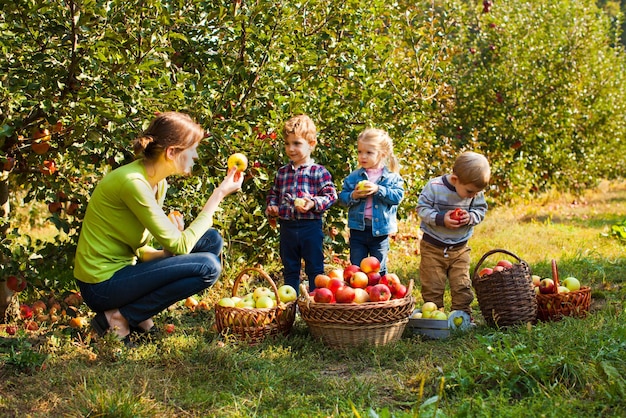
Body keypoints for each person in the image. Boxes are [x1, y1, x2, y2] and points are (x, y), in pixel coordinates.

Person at [74, 111, 243, 345]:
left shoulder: (157, 183)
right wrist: (218, 195)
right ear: (171, 152)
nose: (195, 156)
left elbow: (141, 248)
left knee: (211, 240)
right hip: (101, 285)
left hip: (123, 272)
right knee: (208, 267)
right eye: (191, 149)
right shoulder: (133, 183)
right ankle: (120, 317)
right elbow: (181, 245)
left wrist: (165, 254)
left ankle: (135, 315)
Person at [265, 114, 337, 293]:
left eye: (296, 143)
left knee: (315, 268)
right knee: (290, 268)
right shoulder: (282, 173)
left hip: (310, 227)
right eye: (288, 143)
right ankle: (291, 305)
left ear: (311, 144)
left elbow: (330, 195)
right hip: (287, 227)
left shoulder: (318, 172)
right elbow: (274, 194)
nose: (291, 149)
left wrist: (313, 203)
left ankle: (315, 303)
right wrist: (272, 207)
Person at [416, 151, 490, 316]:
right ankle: (434, 315)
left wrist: (470, 217)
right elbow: (422, 209)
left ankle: (462, 315)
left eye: (476, 193)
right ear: (455, 180)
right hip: (433, 246)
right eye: (470, 192)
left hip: (460, 248)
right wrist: (441, 218)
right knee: (432, 284)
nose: (473, 196)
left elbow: (480, 209)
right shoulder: (434, 187)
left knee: (462, 284)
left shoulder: (474, 190)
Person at [338, 128, 404, 276]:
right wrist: (354, 195)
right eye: (360, 152)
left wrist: (378, 189)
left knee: (377, 269)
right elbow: (342, 198)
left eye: (369, 153)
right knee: (356, 268)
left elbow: (397, 197)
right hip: (358, 230)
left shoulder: (391, 177)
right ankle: (359, 296)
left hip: (379, 232)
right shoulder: (354, 177)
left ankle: (378, 295)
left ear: (382, 154)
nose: (363, 156)